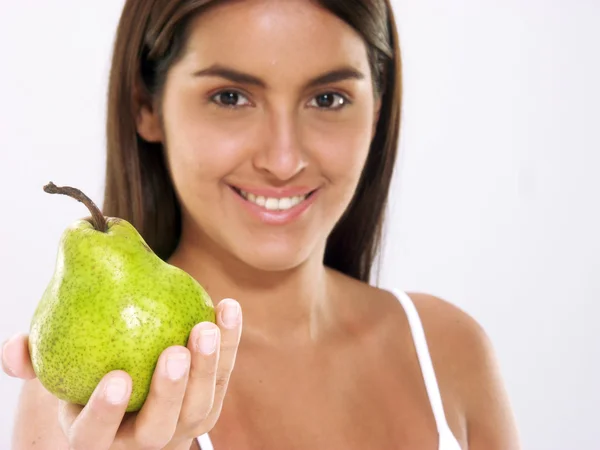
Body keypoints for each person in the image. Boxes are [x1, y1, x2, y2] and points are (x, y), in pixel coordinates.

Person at [1, 0, 521, 449]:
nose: (283, 158)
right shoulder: (88, 403)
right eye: (231, 97)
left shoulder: (452, 352)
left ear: (378, 109)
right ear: (146, 106)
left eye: (328, 98)